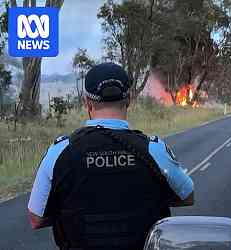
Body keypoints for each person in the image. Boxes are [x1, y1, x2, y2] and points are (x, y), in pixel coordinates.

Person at [27, 63, 194, 250]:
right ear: (129, 100)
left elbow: (36, 219)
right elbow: (187, 196)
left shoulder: (60, 151)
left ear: (86, 102)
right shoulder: (153, 149)